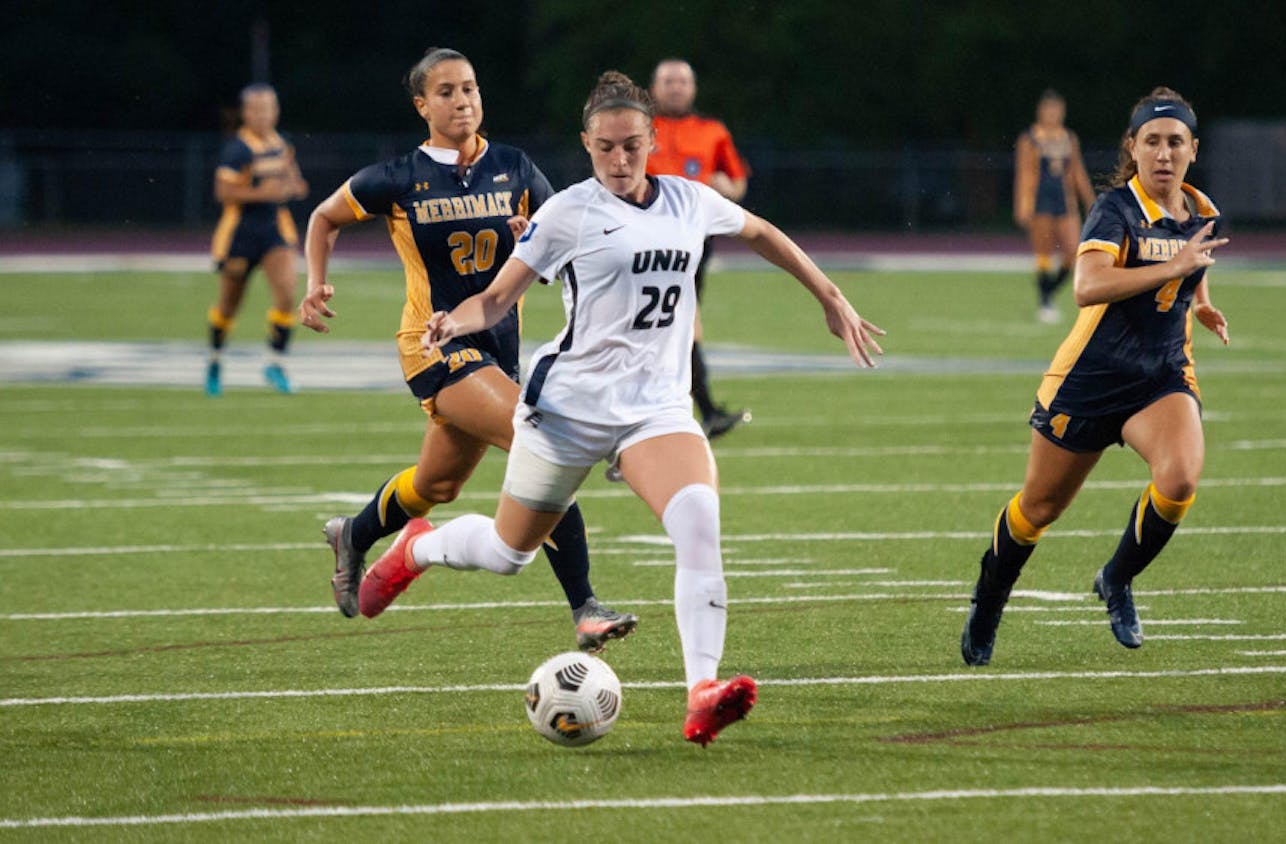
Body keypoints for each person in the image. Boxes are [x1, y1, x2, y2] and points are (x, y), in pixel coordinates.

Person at [358, 71, 884, 745]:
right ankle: (420, 546)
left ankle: (702, 691)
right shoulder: (567, 212)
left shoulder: (690, 201)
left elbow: (760, 232)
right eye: (604, 148)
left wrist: (829, 296)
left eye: (632, 145)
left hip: (656, 410)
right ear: (587, 144)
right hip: (570, 409)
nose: (619, 160)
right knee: (506, 552)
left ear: (652, 138)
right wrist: (452, 325)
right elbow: (496, 298)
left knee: (698, 520)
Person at [298, 48, 637, 652]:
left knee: (438, 485)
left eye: (471, 88)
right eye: (448, 91)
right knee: (544, 438)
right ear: (422, 105)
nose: (463, 101)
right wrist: (315, 282)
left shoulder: (515, 166)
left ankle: (354, 532)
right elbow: (324, 216)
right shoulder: (400, 176)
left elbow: (566, 242)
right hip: (432, 347)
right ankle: (584, 605)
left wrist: (533, 239)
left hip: (496, 352)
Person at [961, 87, 1230, 665]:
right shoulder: (1115, 209)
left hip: (1161, 376)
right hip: (1090, 379)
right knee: (1039, 509)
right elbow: (1087, 287)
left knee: (1180, 477)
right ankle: (990, 596)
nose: (1163, 153)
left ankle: (1116, 578)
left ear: (1193, 150)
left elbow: (1192, 260)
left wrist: (1200, 299)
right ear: (1133, 148)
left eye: (1175, 142)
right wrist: (1173, 267)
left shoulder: (1202, 210)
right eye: (1152, 141)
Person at [646, 58, 752, 438]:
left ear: (693, 88)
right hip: (643, 237)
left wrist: (725, 187)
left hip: (693, 241)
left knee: (676, 321)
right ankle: (703, 409)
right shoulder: (640, 127)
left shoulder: (712, 132)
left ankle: (698, 409)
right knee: (675, 322)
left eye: (682, 81)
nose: (676, 88)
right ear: (654, 87)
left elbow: (737, 185)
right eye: (668, 81)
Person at [206, 83, 308, 396]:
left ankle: (275, 363)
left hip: (275, 230)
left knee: (288, 293)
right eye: (258, 109)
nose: (265, 115)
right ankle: (215, 359)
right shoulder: (238, 149)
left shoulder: (281, 144)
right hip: (240, 232)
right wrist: (260, 193)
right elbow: (223, 192)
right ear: (246, 113)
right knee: (229, 304)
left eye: (270, 109)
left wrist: (291, 187)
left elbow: (298, 184)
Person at [1013, 90, 1095, 325]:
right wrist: (1022, 205)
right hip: (1039, 201)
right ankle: (1045, 300)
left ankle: (1049, 291)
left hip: (1064, 202)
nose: (1052, 114)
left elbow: (1078, 172)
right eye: (1048, 110)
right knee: (1044, 252)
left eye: (1056, 110)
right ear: (1040, 111)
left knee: (1073, 251)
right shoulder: (1029, 138)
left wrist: (1089, 200)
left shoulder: (1069, 138)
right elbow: (1024, 174)